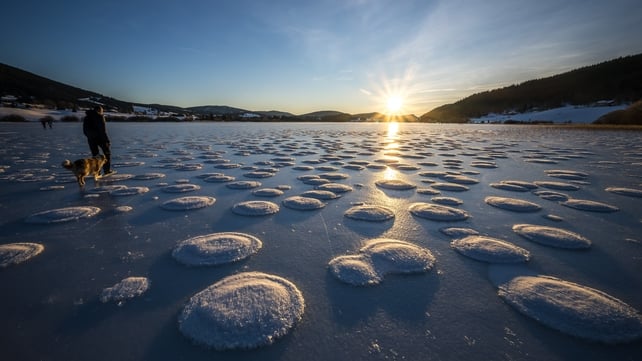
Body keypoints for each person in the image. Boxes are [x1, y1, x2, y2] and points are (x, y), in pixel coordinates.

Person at [83, 105, 113, 175]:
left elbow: (85, 131)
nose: (102, 112)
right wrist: (107, 140)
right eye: (102, 111)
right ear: (99, 110)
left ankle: (97, 172)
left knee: (95, 156)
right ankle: (107, 170)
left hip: (91, 139)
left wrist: (90, 137)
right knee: (107, 154)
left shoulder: (87, 117)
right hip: (101, 138)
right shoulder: (100, 117)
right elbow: (102, 130)